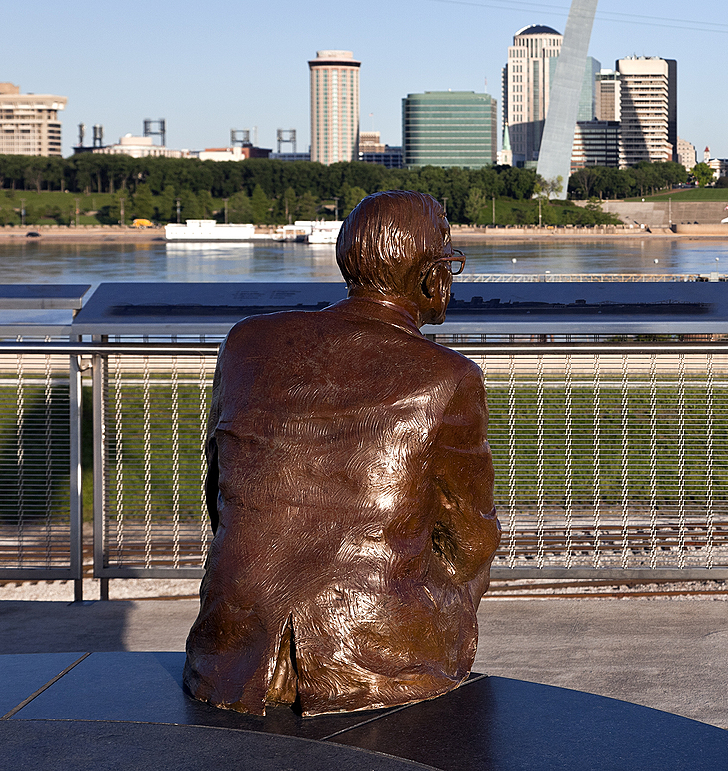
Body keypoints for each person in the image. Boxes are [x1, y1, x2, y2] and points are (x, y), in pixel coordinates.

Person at [185, 191, 498, 716]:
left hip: (231, 651)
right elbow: (470, 539)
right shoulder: (450, 376)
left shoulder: (246, 342)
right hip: (378, 654)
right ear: (432, 278)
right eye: (451, 263)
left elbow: (221, 491)